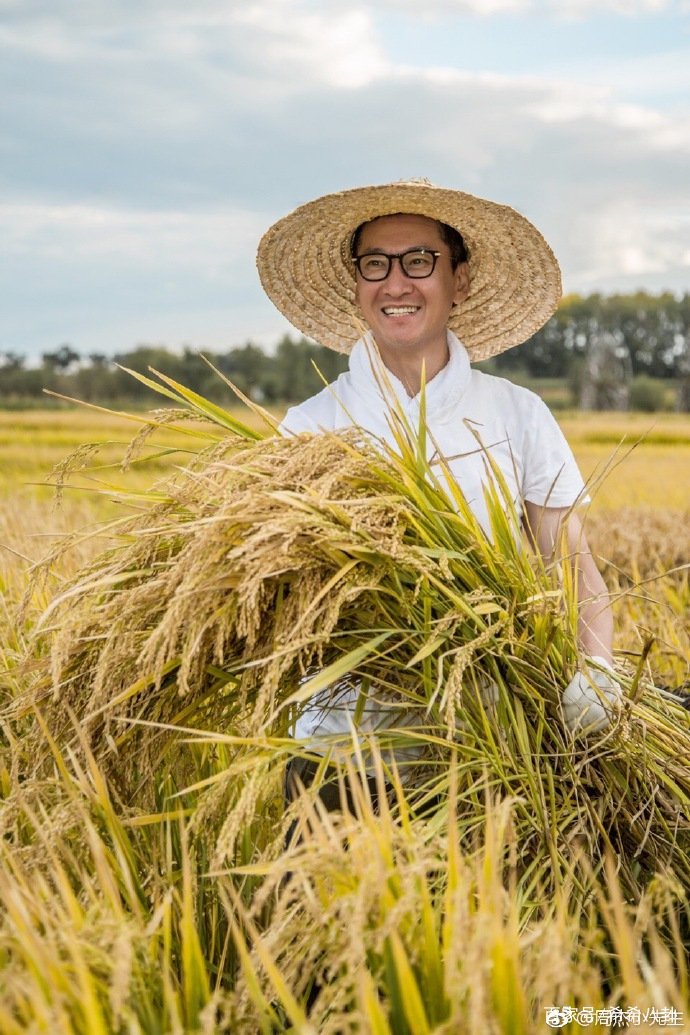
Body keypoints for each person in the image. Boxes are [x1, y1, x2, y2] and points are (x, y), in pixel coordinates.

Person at [256, 179, 621, 791]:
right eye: (375, 263)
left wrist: (599, 668)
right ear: (356, 282)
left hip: (492, 751)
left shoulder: (518, 414)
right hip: (341, 755)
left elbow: (574, 569)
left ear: (461, 279)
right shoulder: (309, 427)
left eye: (419, 261)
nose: (395, 283)